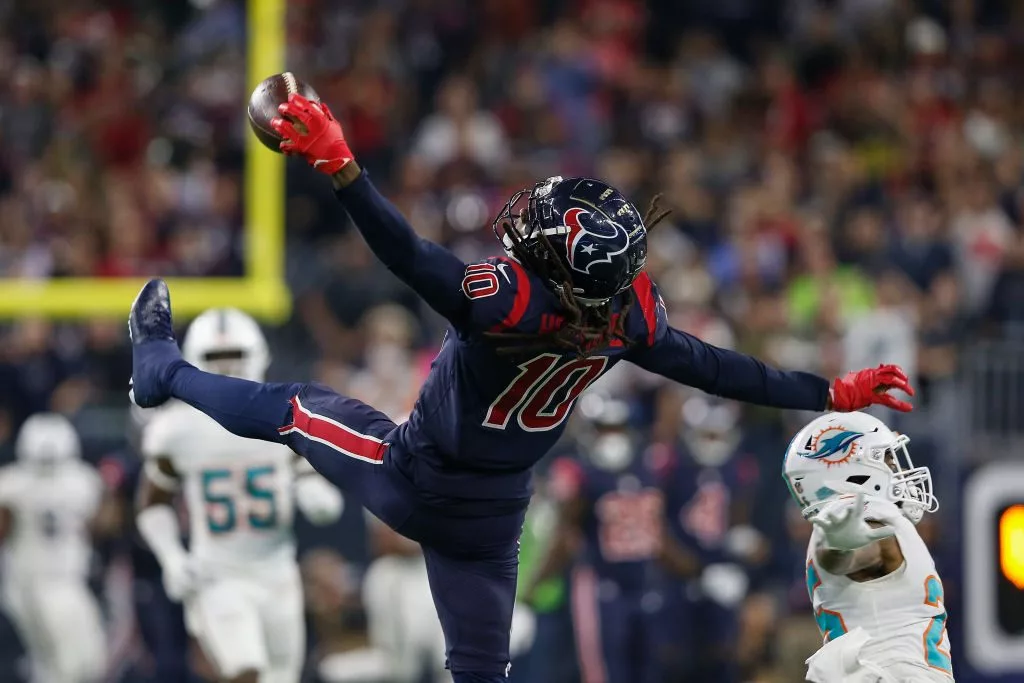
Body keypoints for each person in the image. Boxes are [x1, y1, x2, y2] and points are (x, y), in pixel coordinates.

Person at [128, 91, 915, 683]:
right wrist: (831, 391)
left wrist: (342, 167)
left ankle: (163, 368)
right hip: (497, 516)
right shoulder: (629, 318)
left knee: (293, 406)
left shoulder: (505, 302)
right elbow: (721, 367)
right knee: (480, 673)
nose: (526, 226)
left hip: (416, 476)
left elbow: (405, 252)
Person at [135, 308, 344, 683]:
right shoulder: (177, 429)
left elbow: (303, 473)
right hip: (219, 574)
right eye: (216, 357)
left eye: (236, 354)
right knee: (244, 671)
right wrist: (171, 556)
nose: (228, 365)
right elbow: (153, 503)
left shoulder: (283, 413)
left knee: (282, 676)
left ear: (259, 355)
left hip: (278, 570)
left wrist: (314, 490)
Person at [525, 395, 698, 683]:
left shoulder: (648, 468)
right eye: (605, 428)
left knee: (650, 671)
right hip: (602, 587)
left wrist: (694, 568)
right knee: (605, 673)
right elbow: (566, 536)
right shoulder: (582, 473)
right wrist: (535, 584)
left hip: (646, 584)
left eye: (617, 427)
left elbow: (659, 533)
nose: (612, 436)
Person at [782, 411, 953, 683]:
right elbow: (858, 554)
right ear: (851, 469)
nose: (897, 469)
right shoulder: (860, 516)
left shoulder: (847, 520)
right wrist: (842, 546)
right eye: (886, 458)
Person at [0, 413, 107, 683]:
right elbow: (100, 525)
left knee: (65, 665)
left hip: (37, 583)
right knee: (73, 665)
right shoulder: (83, 480)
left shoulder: (13, 482)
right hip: (48, 583)